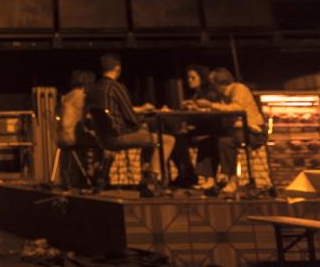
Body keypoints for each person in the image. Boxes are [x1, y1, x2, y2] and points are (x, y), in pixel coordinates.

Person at [88, 54, 175, 192]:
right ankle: (153, 179)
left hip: (104, 138)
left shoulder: (93, 89)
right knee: (167, 140)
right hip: (119, 136)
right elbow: (130, 117)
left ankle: (144, 177)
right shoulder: (116, 87)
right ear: (118, 68)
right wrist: (143, 121)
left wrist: (140, 112)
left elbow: (110, 110)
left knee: (147, 137)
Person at [190, 68, 266, 195]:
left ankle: (232, 179)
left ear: (219, 83)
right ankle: (209, 179)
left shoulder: (239, 89)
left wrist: (210, 105)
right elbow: (222, 110)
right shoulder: (222, 96)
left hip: (253, 131)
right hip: (234, 131)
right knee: (208, 141)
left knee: (225, 141)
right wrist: (199, 108)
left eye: (213, 85)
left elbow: (236, 108)